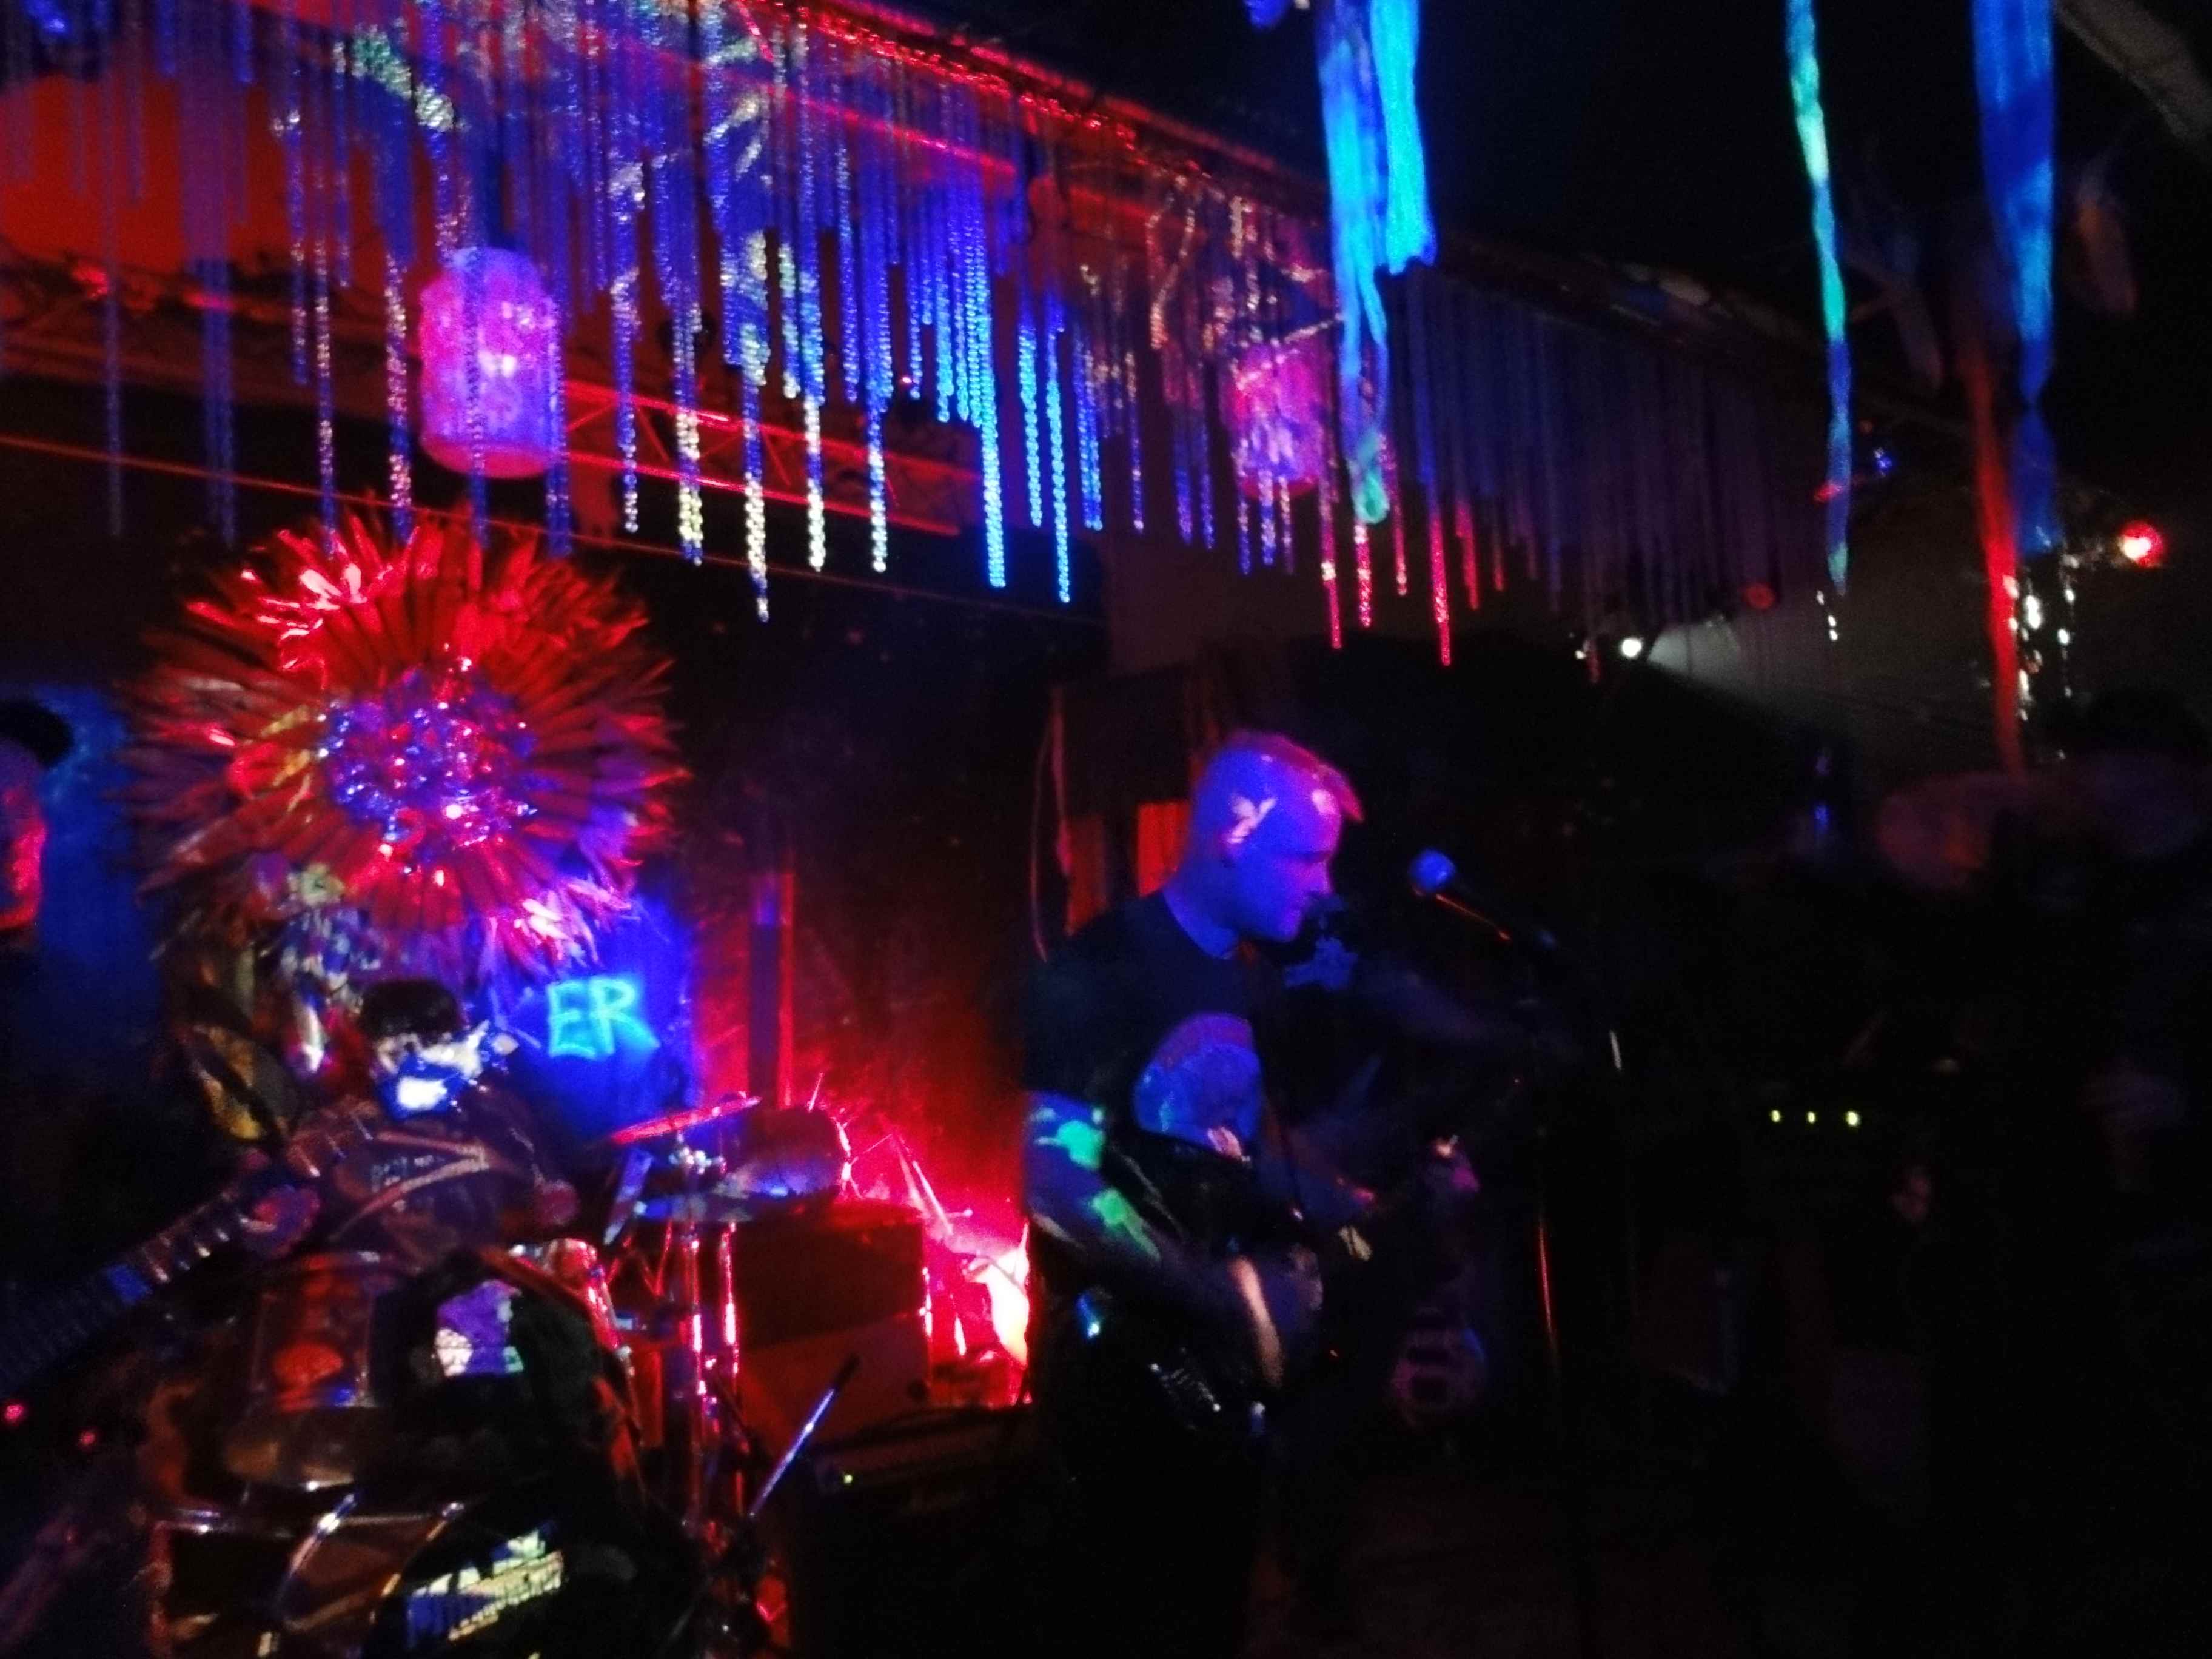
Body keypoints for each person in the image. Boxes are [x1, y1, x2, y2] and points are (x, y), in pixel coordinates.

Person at [1021, 731, 1370, 1658]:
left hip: (1215, 1381)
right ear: (1231, 838)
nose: (1324, 886)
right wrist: (1215, 1292)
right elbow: (1055, 1179)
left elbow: (1232, 1150)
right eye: (1305, 858)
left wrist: (1351, 1205)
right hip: (1118, 1387)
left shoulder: (1245, 977)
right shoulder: (1103, 971)